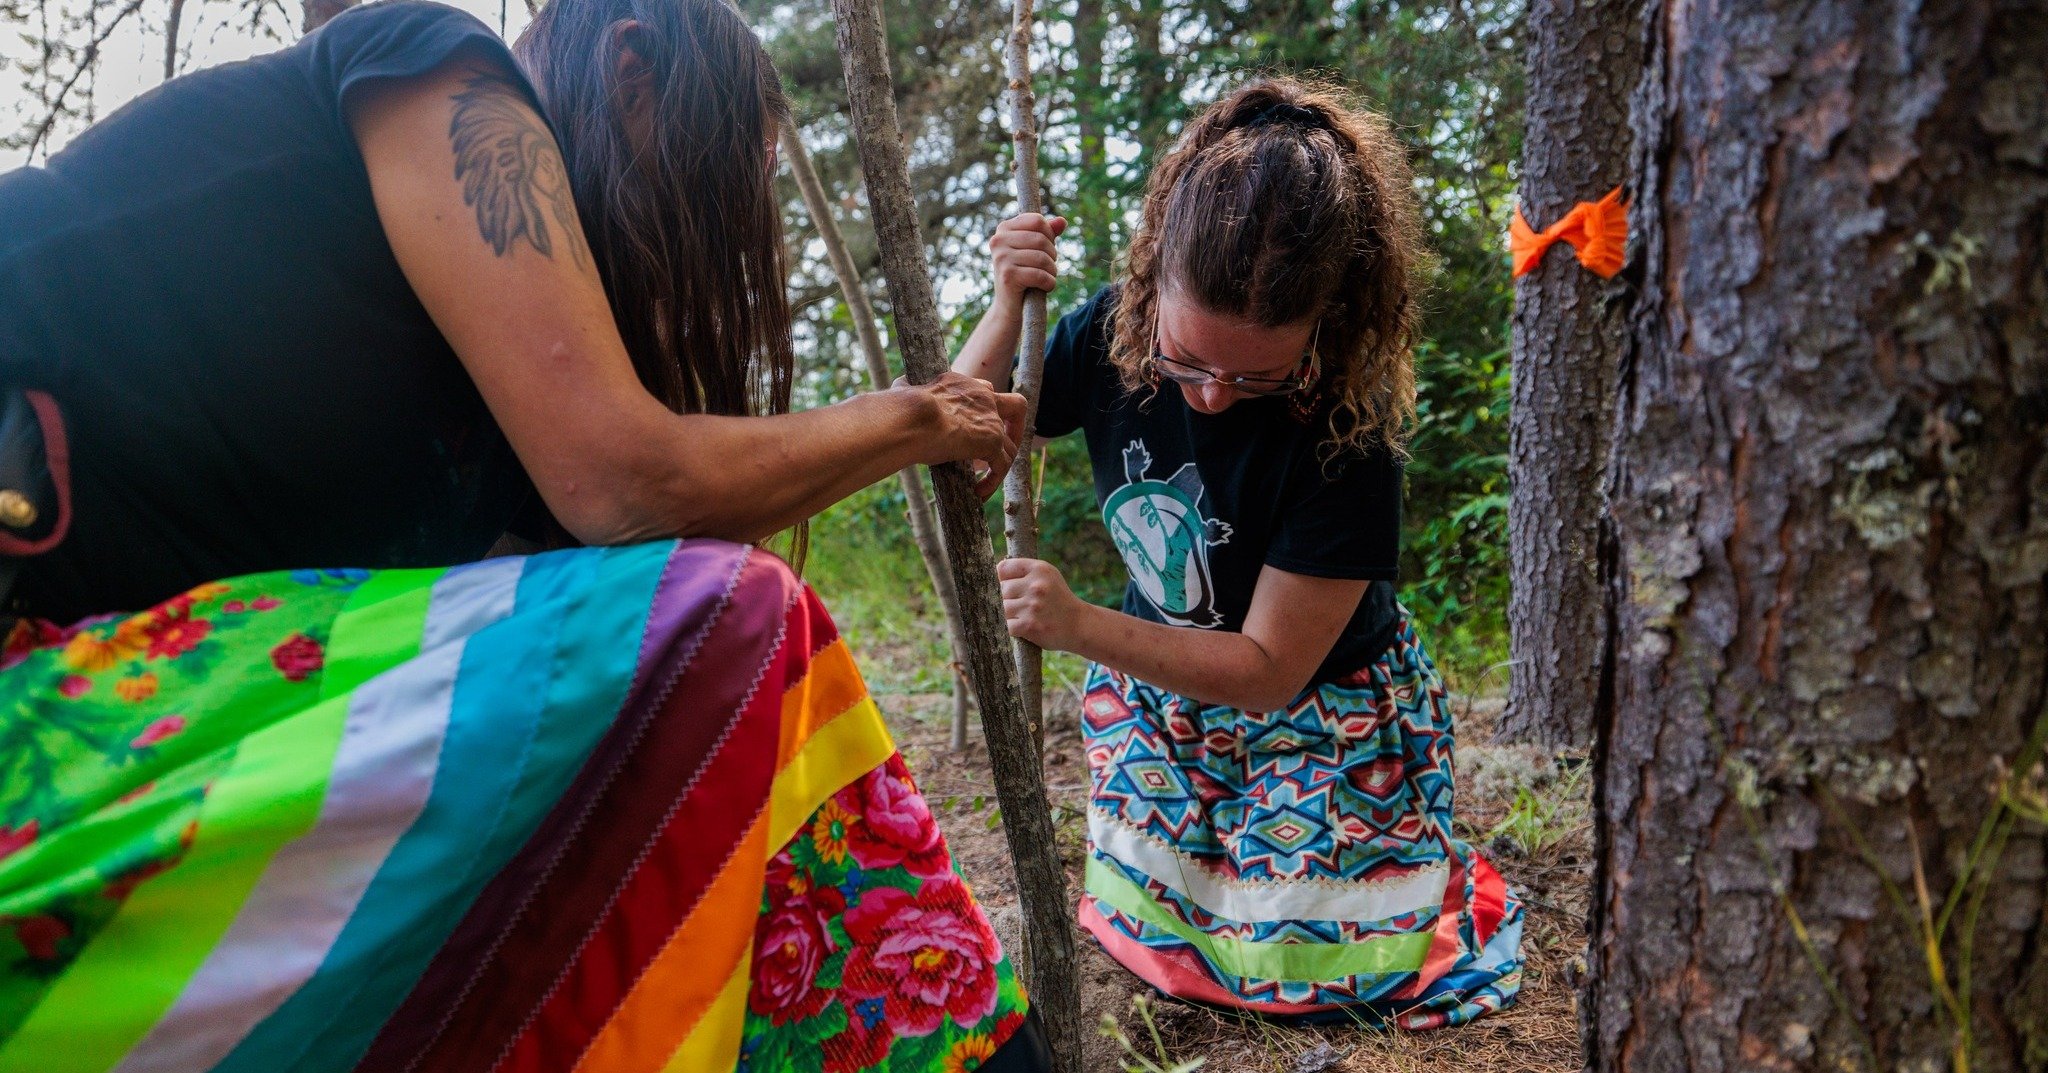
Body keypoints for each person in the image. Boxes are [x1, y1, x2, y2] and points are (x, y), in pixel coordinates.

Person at [0, 1, 1050, 1069]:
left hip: (135, 702)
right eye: (731, 171)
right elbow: (624, 480)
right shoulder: (440, 72)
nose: (732, 217)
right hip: (44, 669)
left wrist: (929, 407)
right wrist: (913, 418)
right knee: (730, 620)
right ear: (632, 67)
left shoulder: (484, 435)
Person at [953, 77, 1523, 1029]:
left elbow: (1265, 672)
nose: (1211, 395)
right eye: (1188, 359)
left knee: (1312, 967)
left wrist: (1082, 626)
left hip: (1319, 717)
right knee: (1156, 928)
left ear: (1327, 324)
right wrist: (1008, 303)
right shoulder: (1111, 335)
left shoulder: (1350, 431)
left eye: (1256, 374)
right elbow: (960, 441)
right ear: (1151, 287)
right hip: (1168, 703)